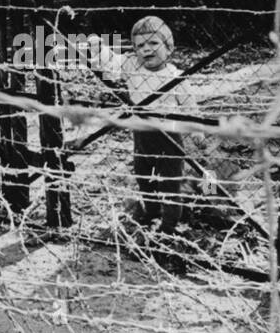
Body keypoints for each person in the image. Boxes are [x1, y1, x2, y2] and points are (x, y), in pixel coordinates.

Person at [92, 15, 214, 235]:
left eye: (153, 43)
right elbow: (110, 61)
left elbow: (190, 106)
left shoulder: (176, 77)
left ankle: (169, 227)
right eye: (140, 45)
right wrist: (97, 47)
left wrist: (197, 129)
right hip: (141, 136)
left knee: (170, 185)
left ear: (169, 47)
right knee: (143, 179)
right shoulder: (132, 65)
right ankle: (150, 214)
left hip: (169, 139)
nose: (146, 49)